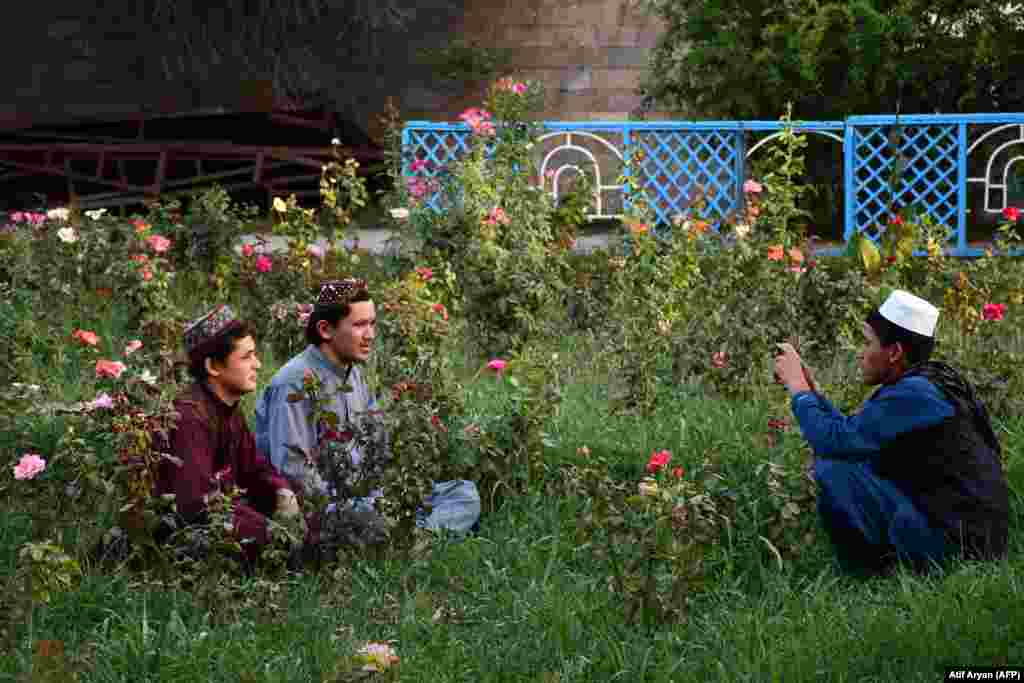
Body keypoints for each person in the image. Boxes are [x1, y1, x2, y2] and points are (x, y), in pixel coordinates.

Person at [773, 290, 1009, 574]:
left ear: (895, 352)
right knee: (848, 460)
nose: (861, 353)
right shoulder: (925, 384)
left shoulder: (917, 393)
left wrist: (798, 388)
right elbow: (852, 437)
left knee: (833, 469)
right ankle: (892, 564)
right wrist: (813, 393)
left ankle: (870, 572)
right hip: (966, 531)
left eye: (868, 342)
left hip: (959, 544)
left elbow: (834, 443)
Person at [255, 278, 481, 539]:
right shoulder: (294, 383)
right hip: (329, 508)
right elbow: (295, 472)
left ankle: (420, 537)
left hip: (370, 496)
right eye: (360, 325)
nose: (370, 335)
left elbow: (376, 448)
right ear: (326, 329)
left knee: (463, 493)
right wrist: (365, 502)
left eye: (372, 323)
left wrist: (394, 490)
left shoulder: (354, 374)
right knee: (378, 517)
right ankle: (420, 536)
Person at [156, 304, 305, 564]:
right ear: (213, 366)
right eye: (247, 357)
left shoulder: (227, 409)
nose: (257, 364)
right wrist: (267, 530)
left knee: (309, 513)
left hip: (222, 517)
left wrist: (282, 492)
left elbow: (254, 470)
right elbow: (196, 507)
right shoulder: (188, 418)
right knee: (279, 544)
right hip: (181, 540)